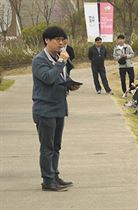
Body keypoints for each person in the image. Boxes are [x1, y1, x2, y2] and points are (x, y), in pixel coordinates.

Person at [32, 26, 80, 191]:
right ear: (47, 40)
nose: (61, 43)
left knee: (56, 145)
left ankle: (54, 175)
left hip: (59, 107)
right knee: (47, 147)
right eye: (57, 40)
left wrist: (69, 84)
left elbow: (60, 78)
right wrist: (61, 62)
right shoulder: (39, 60)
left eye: (63, 40)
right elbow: (48, 78)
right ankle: (47, 180)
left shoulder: (59, 58)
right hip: (45, 109)